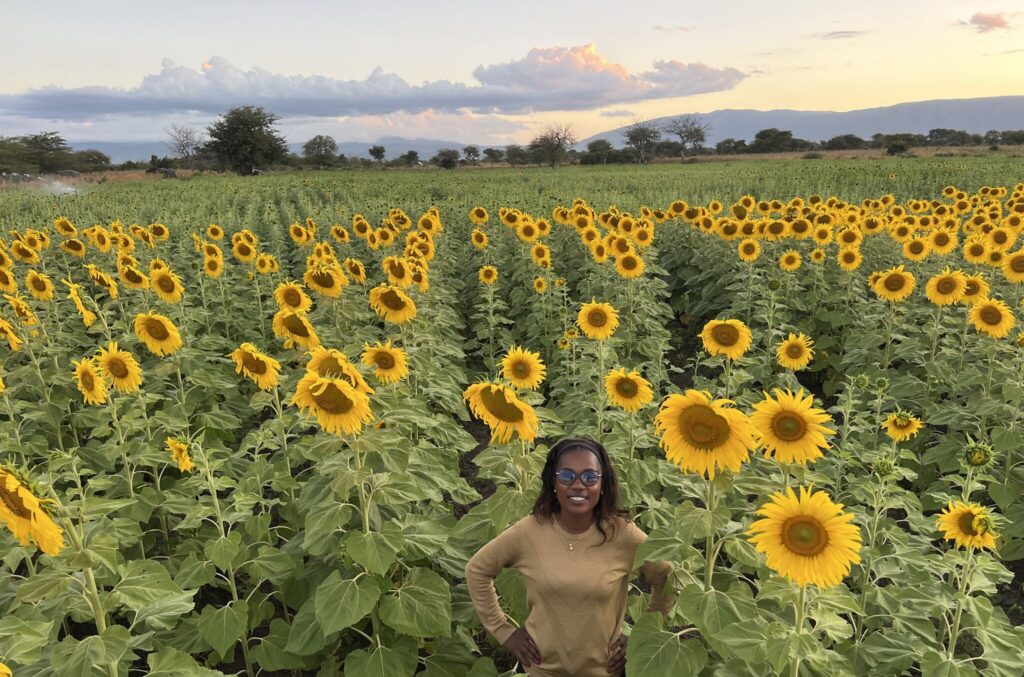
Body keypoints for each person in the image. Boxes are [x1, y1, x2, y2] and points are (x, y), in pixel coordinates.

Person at [465, 436, 674, 676]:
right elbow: (477, 570)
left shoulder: (622, 534)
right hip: (542, 670)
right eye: (566, 476)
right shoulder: (530, 531)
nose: (578, 485)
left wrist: (641, 638)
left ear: (602, 484)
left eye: (589, 477)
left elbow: (666, 577)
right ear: (554, 482)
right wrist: (504, 632)